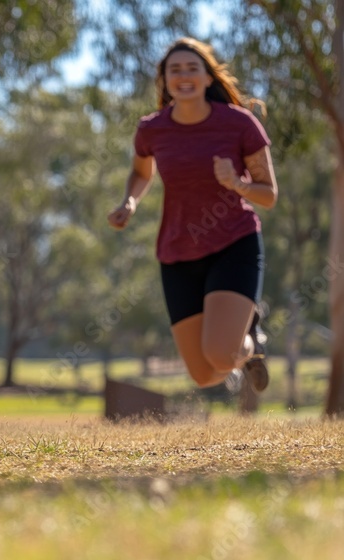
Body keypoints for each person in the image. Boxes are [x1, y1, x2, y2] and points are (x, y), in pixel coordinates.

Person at [107, 37, 278, 394]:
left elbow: (269, 194)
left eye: (192, 68)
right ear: (164, 79)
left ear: (207, 77)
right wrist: (130, 202)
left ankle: (248, 341)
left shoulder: (239, 124)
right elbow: (142, 172)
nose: (184, 76)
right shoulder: (152, 129)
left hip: (234, 243)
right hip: (177, 250)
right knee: (204, 374)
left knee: (222, 353)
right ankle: (245, 346)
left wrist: (236, 183)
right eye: (175, 70)